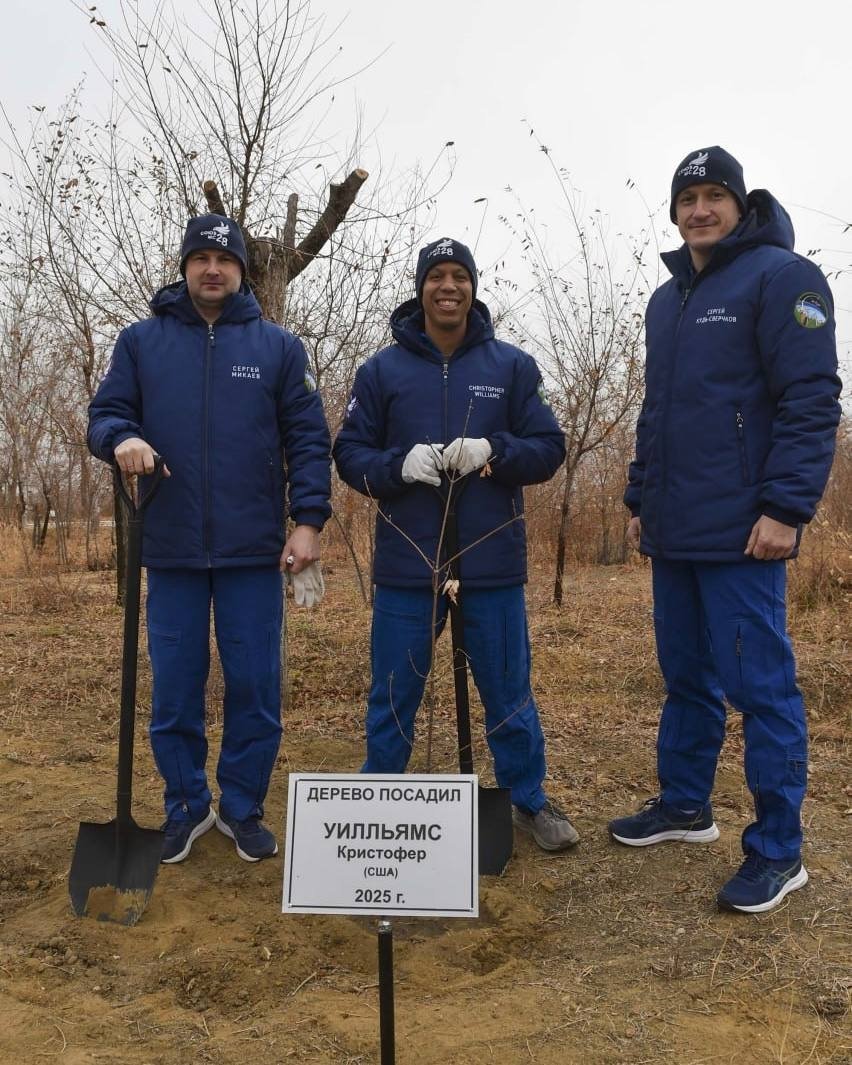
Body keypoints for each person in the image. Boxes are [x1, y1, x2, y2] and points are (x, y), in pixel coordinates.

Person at [609, 148, 842, 912]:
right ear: (675, 211)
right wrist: (640, 495)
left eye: (715, 195)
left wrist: (786, 508)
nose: (700, 210)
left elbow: (812, 398)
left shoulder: (783, 277)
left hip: (745, 531)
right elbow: (657, 411)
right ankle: (685, 804)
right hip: (675, 528)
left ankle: (778, 849)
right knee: (686, 676)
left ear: (741, 205)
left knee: (760, 688)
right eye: (688, 198)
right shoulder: (666, 299)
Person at [88, 214, 332, 864]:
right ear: (185, 267)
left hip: (253, 551)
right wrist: (122, 437)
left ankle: (242, 807)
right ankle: (186, 805)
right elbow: (105, 414)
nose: (213, 269)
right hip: (170, 549)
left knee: (255, 686)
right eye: (201, 258)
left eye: (225, 259)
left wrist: (308, 521)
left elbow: (309, 439)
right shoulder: (141, 343)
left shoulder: (278, 348)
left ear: (242, 270)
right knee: (174, 689)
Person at [333, 237, 578, 852]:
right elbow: (350, 454)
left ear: (473, 286)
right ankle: (379, 796)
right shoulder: (381, 372)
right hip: (407, 564)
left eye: (459, 276)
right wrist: (397, 466)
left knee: (508, 691)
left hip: (491, 564)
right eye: (436, 276)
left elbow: (549, 448)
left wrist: (495, 450)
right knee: (394, 691)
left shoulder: (511, 367)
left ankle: (528, 799)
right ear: (421, 289)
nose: (448, 286)